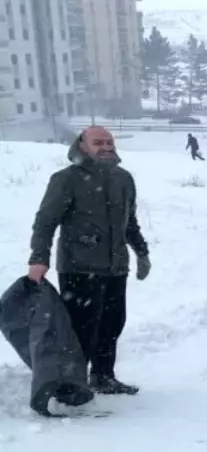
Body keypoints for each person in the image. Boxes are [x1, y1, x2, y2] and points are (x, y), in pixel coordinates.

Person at [27, 126, 150, 395]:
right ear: (82, 146)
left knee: (112, 324)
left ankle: (103, 376)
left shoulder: (124, 179)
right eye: (98, 142)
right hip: (79, 267)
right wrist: (39, 258)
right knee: (81, 330)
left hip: (116, 266)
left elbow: (130, 222)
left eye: (109, 141)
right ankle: (72, 384)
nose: (105, 146)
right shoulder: (66, 179)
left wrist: (141, 252)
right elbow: (45, 222)